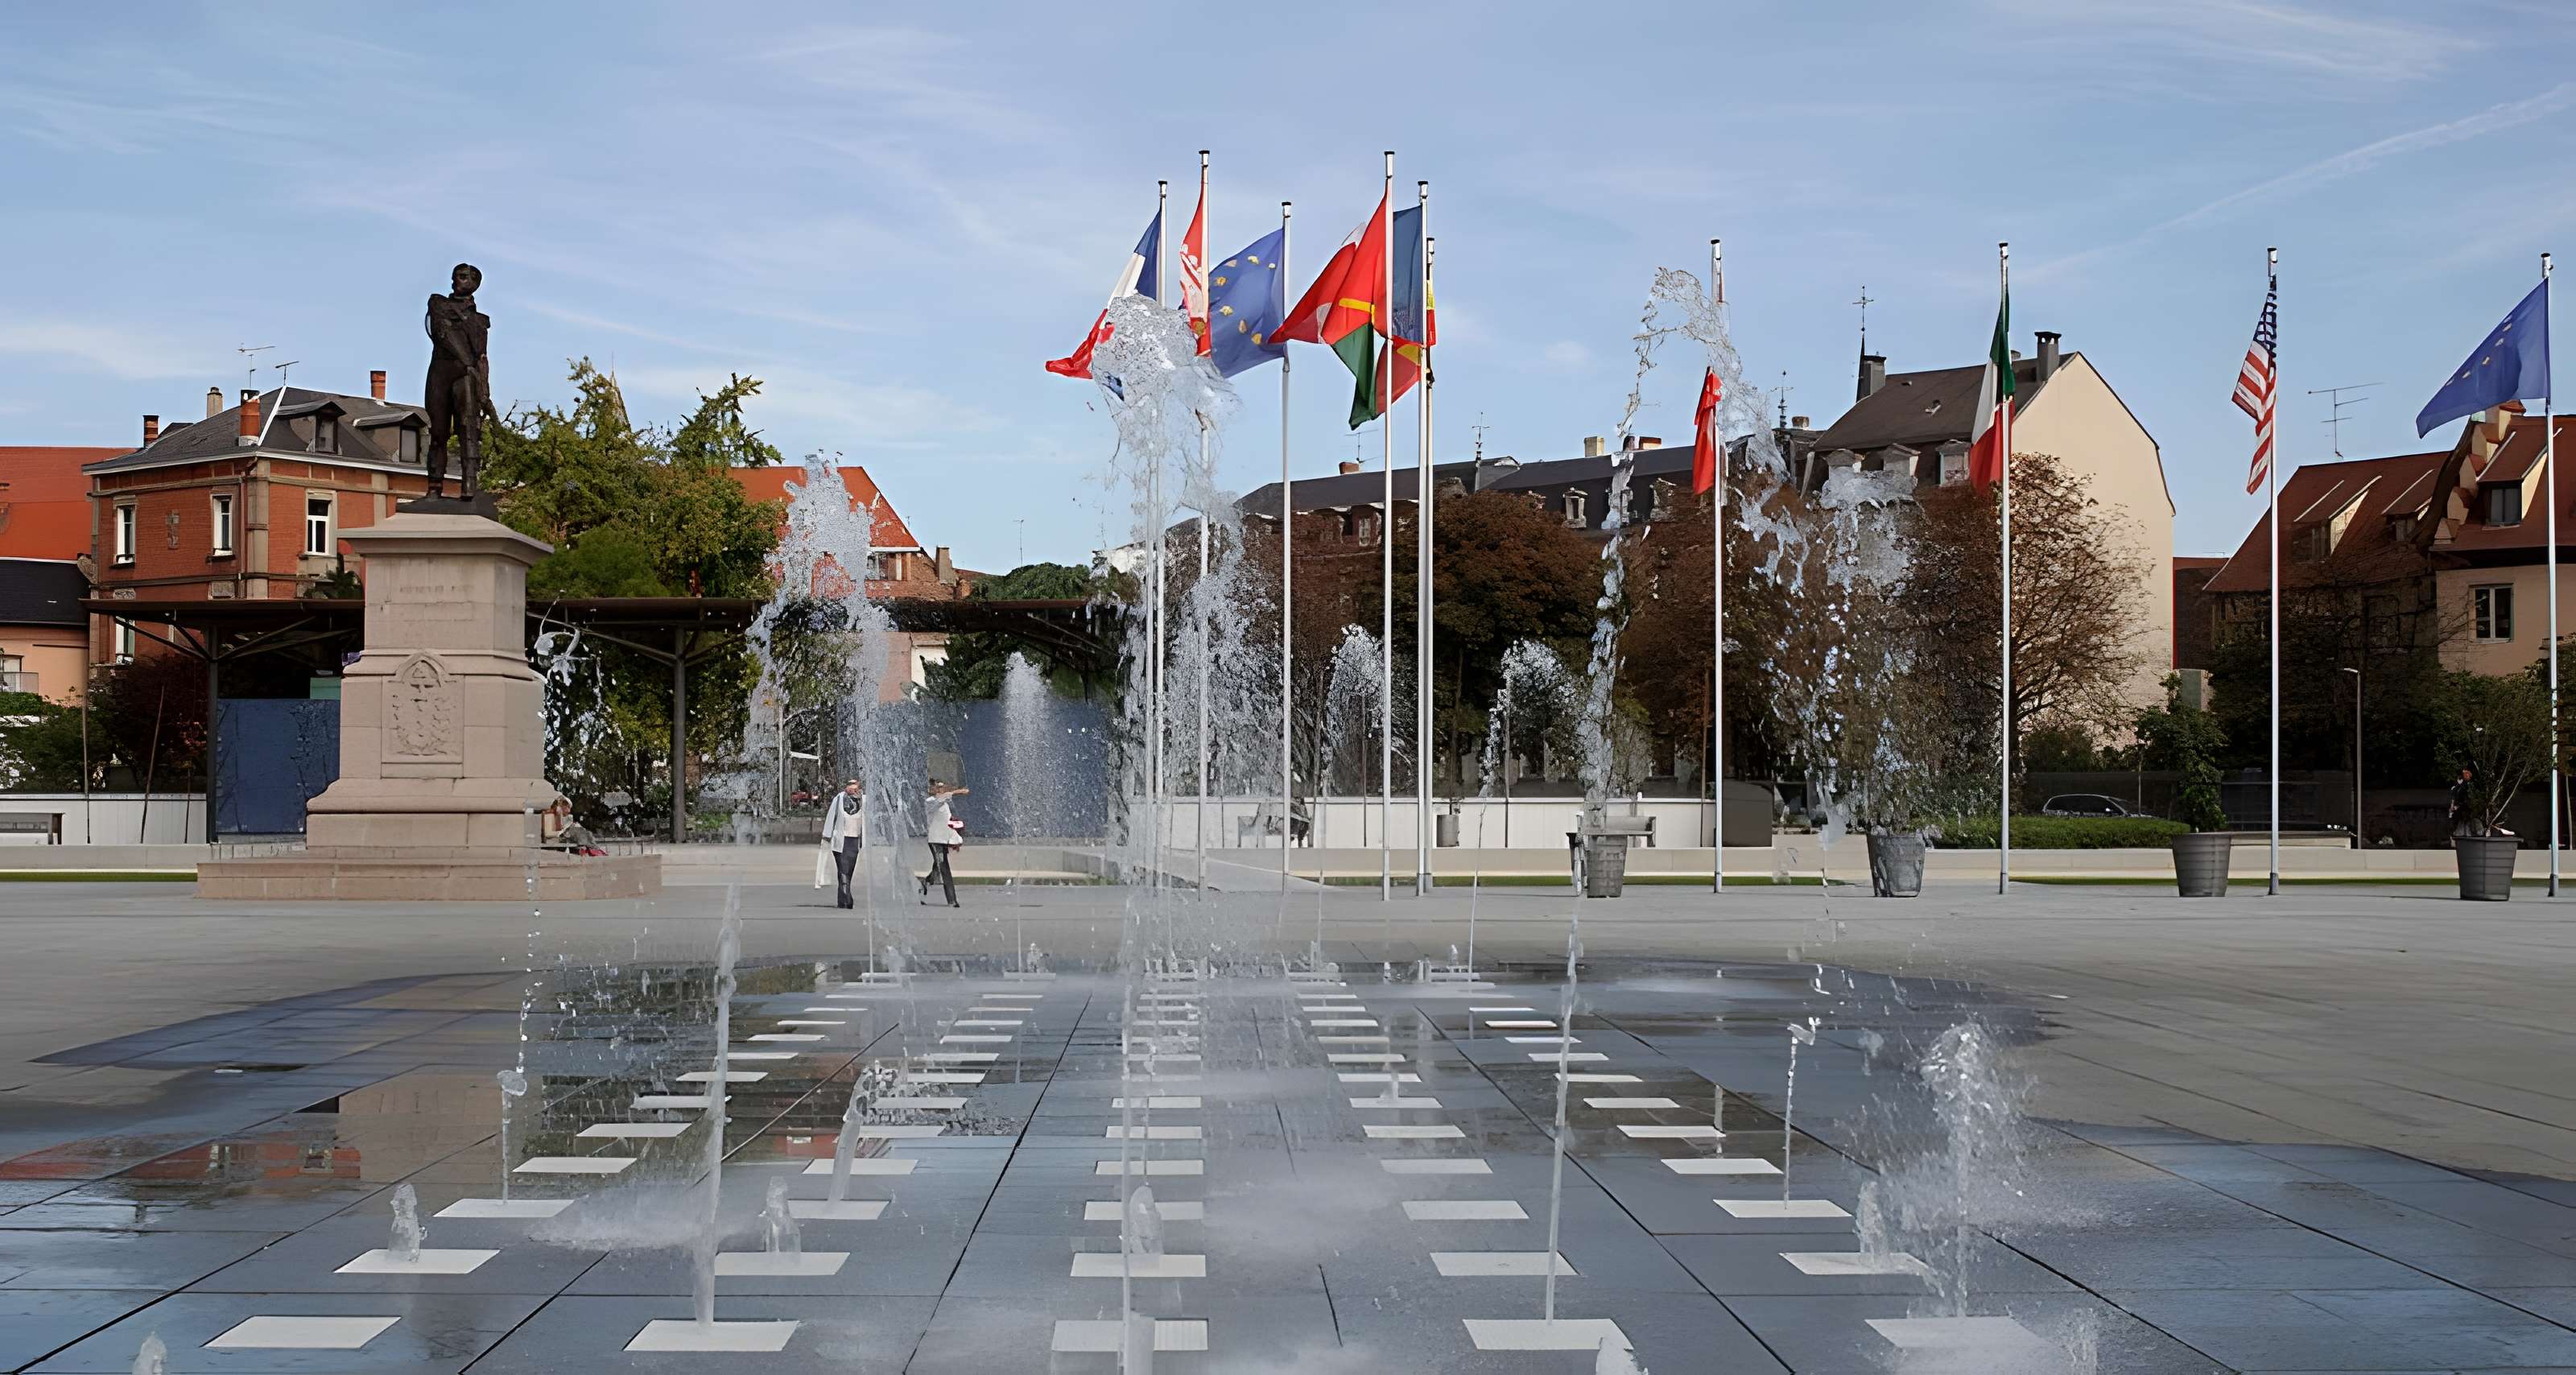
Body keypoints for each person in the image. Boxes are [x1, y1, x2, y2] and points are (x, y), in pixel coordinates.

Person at [920, 778, 968, 907]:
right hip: (935, 841)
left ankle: (924, 884)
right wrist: (958, 791)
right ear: (933, 790)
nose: (942, 789)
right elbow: (942, 799)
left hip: (943, 841)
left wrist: (957, 831)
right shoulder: (930, 802)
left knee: (937, 869)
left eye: (942, 787)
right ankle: (952, 900)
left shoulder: (945, 804)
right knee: (945, 869)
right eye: (939, 787)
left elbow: (946, 821)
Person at [822, 779, 865, 909]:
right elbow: (831, 817)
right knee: (843, 870)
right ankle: (847, 899)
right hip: (841, 841)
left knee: (848, 872)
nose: (852, 788)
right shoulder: (839, 799)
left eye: (855, 785)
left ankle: (843, 899)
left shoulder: (864, 800)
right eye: (850, 785)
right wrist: (826, 836)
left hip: (854, 841)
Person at [2449, 766, 2479, 840]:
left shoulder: (2467, 785)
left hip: (2465, 805)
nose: (2468, 776)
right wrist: (2453, 806)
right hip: (2460, 806)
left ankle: (2471, 833)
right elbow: (2454, 796)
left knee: (2468, 820)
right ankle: (2454, 834)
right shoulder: (2457, 786)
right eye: (2466, 774)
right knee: (2458, 820)